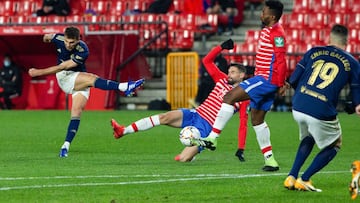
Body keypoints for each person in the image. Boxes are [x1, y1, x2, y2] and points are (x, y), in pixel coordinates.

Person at [110, 39, 250, 162]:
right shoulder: (222, 79)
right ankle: (123, 131)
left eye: (233, 72)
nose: (229, 75)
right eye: (229, 71)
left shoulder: (244, 97)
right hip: (196, 113)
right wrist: (221, 47)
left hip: (207, 128)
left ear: (242, 75)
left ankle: (191, 154)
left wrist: (241, 148)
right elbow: (206, 61)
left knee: (183, 159)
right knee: (164, 117)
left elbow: (243, 124)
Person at [195, 0, 287, 172]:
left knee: (228, 97)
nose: (261, 14)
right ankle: (271, 161)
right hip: (267, 79)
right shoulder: (270, 31)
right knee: (257, 120)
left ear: (272, 16)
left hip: (266, 80)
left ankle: (213, 137)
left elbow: (281, 60)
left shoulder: (277, 34)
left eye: (264, 12)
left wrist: (280, 82)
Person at [28, 26, 145, 158]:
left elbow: (63, 65)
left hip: (74, 75)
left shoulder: (83, 50)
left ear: (79, 40)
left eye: (72, 42)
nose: (68, 45)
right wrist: (47, 38)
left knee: (76, 112)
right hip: (65, 77)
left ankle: (65, 146)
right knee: (92, 78)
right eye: (66, 41)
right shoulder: (59, 38)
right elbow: (47, 37)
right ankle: (124, 87)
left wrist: (39, 72)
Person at [283, 24, 360, 192]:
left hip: (298, 106)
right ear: (346, 41)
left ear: (329, 38)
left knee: (309, 136)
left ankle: (291, 177)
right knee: (335, 144)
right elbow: (356, 89)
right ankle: (305, 178)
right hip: (320, 109)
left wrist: (292, 87)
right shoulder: (353, 62)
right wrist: (356, 105)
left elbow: (294, 79)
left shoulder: (313, 51)